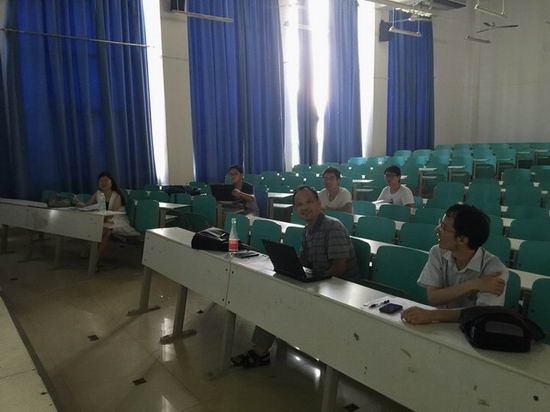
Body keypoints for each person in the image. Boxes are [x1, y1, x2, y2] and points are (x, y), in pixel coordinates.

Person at [231, 185, 359, 368]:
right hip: (320, 283)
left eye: (309, 202)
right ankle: (261, 350)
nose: (304, 207)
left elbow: (339, 268)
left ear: (319, 204)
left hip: (340, 290)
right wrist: (290, 267)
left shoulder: (333, 227)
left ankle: (260, 351)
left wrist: (312, 286)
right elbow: (305, 262)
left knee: (280, 299)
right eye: (299, 204)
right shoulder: (307, 230)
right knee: (275, 291)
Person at [401, 204, 508, 325]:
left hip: (472, 329)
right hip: (438, 326)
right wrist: (473, 285)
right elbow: (433, 298)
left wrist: (433, 315)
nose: (436, 229)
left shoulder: (495, 269)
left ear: (462, 239)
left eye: (444, 227)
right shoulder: (437, 252)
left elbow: (482, 313)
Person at [75, 172, 137, 263]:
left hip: (117, 219)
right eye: (101, 181)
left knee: (106, 231)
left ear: (111, 182)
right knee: (99, 229)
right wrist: (80, 204)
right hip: (102, 219)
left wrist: (101, 220)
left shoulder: (117, 195)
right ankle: (92, 255)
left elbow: (112, 214)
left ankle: (95, 260)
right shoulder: (98, 193)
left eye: (106, 180)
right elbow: (87, 205)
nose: (103, 183)